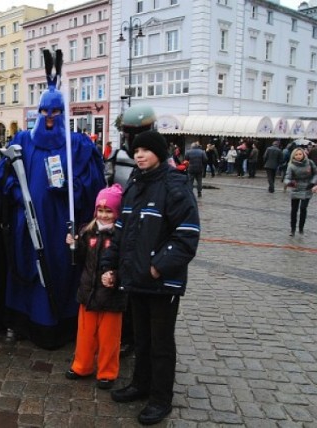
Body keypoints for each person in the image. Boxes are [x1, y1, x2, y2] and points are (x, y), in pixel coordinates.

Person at [0, 52, 106, 350]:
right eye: (44, 112)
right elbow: (5, 176)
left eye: (55, 112)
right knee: (27, 269)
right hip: (28, 222)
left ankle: (59, 325)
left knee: (58, 270)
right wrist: (19, 194)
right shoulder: (22, 141)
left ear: (62, 113)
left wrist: (70, 189)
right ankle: (22, 322)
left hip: (61, 224)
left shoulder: (78, 145)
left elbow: (94, 184)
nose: (48, 118)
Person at [101, 130, 200, 425]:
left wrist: (158, 267)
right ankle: (140, 384)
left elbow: (187, 236)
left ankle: (160, 398)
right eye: (136, 151)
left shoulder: (175, 185)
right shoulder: (134, 184)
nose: (139, 155)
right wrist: (111, 265)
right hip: (136, 279)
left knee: (160, 342)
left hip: (161, 282)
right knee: (141, 338)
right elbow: (121, 232)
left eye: (145, 150)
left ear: (159, 152)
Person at [64, 183, 126, 390]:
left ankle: (107, 372)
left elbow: (126, 263)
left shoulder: (121, 236)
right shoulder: (88, 231)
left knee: (109, 338)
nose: (104, 215)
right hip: (88, 292)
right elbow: (81, 258)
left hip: (111, 296)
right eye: (100, 210)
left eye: (109, 211)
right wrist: (74, 244)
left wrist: (116, 276)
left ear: (116, 212)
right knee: (85, 333)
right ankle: (82, 366)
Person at [284, 148, 317, 236]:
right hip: (296, 188)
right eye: (296, 154)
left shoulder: (309, 162)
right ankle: (293, 229)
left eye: (300, 154)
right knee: (294, 210)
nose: (298, 156)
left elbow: (315, 173)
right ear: (293, 156)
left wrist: (313, 183)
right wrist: (289, 183)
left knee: (303, 208)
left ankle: (301, 228)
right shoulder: (291, 165)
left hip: (307, 187)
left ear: (303, 154)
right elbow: (287, 177)